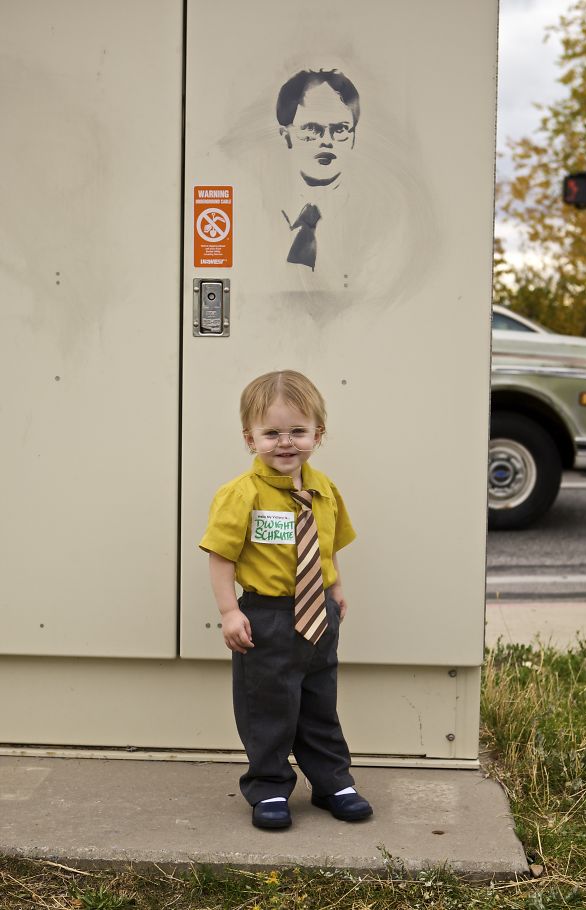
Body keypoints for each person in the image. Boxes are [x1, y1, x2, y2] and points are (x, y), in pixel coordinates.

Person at [199, 370, 373, 829]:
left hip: (319, 614)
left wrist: (335, 589)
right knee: (269, 708)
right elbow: (221, 556)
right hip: (268, 618)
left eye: (297, 431)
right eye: (271, 432)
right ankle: (270, 788)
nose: (285, 442)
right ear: (249, 437)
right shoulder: (242, 495)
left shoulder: (324, 491)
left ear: (318, 433)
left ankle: (333, 782)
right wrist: (229, 611)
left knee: (320, 703)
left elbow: (328, 543)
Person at [276, 69, 360, 272]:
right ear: (286, 137)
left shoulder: (370, 216)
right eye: (312, 129)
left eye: (339, 130)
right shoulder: (262, 210)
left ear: (353, 137)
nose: (327, 142)